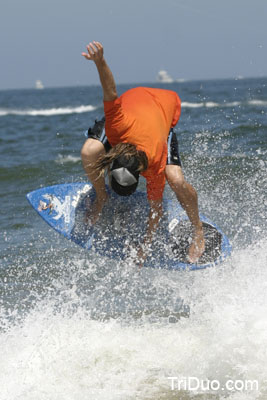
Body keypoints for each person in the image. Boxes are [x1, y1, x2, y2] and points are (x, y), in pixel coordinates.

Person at [81, 41, 205, 264]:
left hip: (160, 113)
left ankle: (198, 231)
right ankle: (102, 196)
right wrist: (100, 62)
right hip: (131, 112)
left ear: (141, 175)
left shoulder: (154, 165)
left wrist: (145, 247)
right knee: (89, 151)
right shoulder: (117, 126)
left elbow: (156, 209)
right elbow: (110, 90)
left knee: (176, 180)